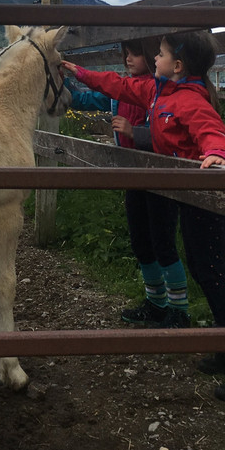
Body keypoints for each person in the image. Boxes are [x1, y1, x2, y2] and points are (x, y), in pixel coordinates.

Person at [61, 31, 225, 403]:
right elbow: (117, 85)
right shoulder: (159, 92)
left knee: (211, 271)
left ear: (177, 66)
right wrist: (77, 71)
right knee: (203, 267)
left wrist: (217, 154)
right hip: (187, 195)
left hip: (203, 195)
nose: (153, 59)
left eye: (158, 55)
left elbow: (212, 131)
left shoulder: (189, 99)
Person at [62, 38, 191, 330]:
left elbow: (166, 130)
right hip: (132, 175)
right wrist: (66, 85)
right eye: (125, 54)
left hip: (159, 175)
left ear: (150, 56)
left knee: (163, 241)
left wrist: (136, 132)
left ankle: (179, 310)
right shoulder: (119, 92)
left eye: (134, 54)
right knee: (141, 241)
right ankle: (157, 303)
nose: (128, 59)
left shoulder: (155, 89)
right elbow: (86, 99)